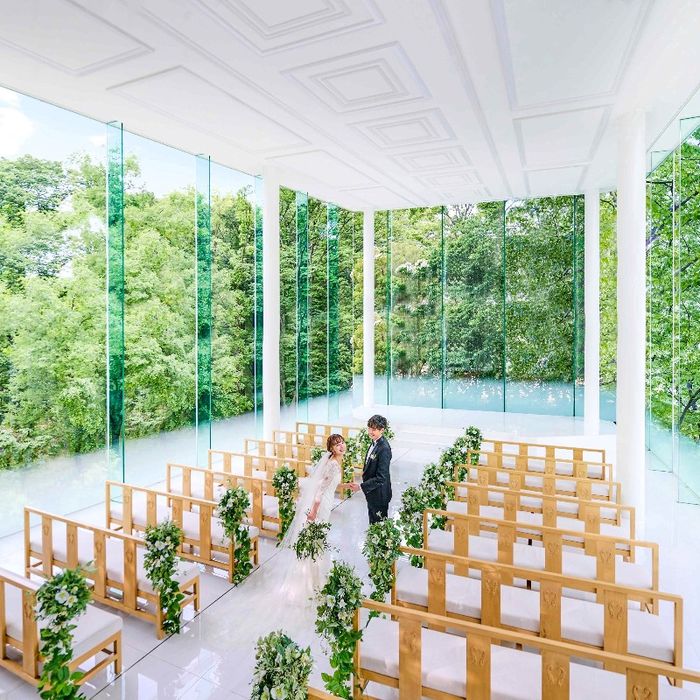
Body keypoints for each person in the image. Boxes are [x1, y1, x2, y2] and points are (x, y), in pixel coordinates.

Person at [359, 414, 392, 524]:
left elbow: (381, 477)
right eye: (369, 428)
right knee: (372, 522)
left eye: (373, 429)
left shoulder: (384, 448)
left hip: (379, 495)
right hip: (373, 493)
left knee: (378, 526)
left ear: (382, 430)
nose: (370, 432)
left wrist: (361, 486)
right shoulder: (374, 442)